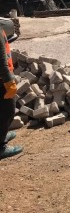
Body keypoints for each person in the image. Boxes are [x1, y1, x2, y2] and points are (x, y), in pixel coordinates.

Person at [0, 28, 23, 160]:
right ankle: (1, 146)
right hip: (1, 80)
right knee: (7, 112)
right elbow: (1, 60)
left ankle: (2, 133)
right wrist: (9, 81)